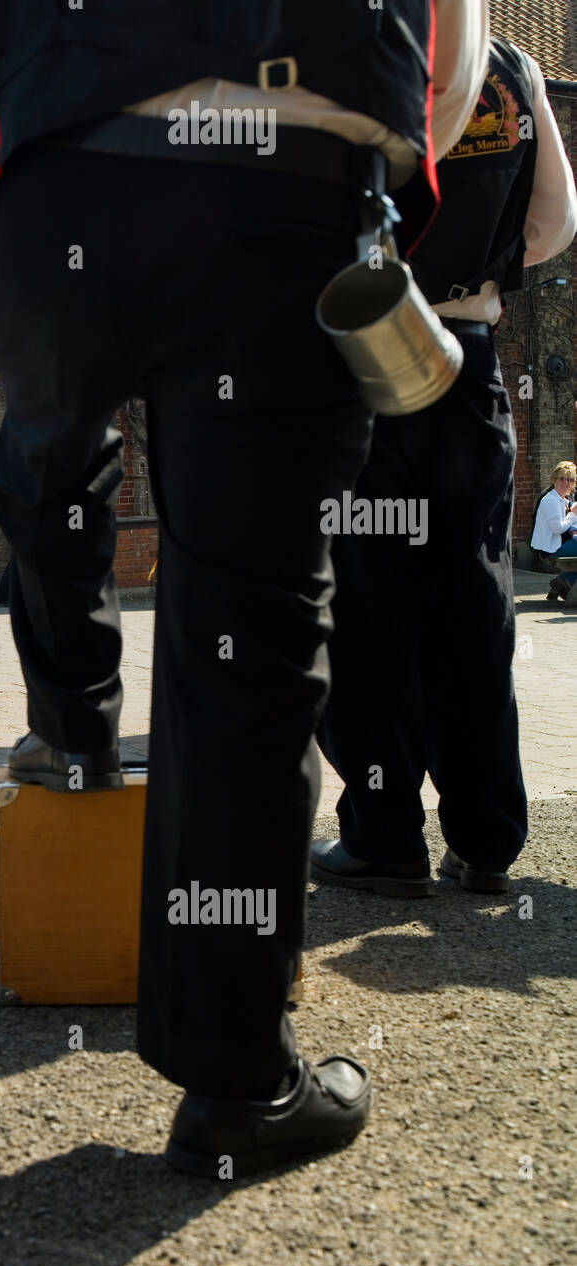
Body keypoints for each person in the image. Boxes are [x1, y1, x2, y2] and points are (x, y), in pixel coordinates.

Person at [0, 0, 488, 1176]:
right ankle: (235, 1072)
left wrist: (16, 184)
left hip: (59, 194)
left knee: (48, 478)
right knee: (248, 615)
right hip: (286, 183)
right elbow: (443, 66)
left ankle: (68, 732)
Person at [314, 40, 577, 899]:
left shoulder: (332, 44)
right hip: (468, 356)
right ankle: (486, 836)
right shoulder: (513, 65)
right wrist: (477, 278)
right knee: (473, 596)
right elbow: (554, 224)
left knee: (366, 601)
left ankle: (386, 837)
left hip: (358, 356)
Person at [533, 461, 577, 601]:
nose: (565, 482)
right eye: (562, 478)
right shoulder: (550, 500)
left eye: (569, 479)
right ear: (554, 479)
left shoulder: (564, 500)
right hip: (550, 547)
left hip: (559, 543)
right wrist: (573, 514)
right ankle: (566, 584)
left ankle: (563, 581)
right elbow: (558, 529)